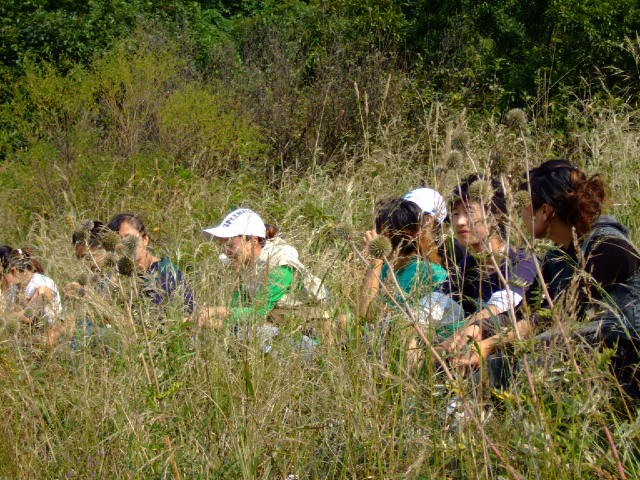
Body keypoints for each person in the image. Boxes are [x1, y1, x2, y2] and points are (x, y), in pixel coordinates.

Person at [520, 159, 640, 396]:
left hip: (625, 367)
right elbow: (526, 310)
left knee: (533, 355)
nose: (520, 216)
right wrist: (479, 328)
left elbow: (561, 312)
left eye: (523, 207)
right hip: (596, 365)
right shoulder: (556, 258)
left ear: (545, 211)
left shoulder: (610, 247)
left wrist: (491, 343)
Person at [438, 175, 537, 367]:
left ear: (496, 215)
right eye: (455, 214)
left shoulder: (522, 262)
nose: (460, 222)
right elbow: (441, 303)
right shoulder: (466, 266)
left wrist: (452, 342)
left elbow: (498, 308)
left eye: (469, 212)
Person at [198, 208, 329, 348]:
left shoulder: (280, 265)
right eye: (222, 245)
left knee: (246, 333)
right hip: (281, 327)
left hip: (310, 338)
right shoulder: (247, 264)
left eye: (230, 245)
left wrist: (216, 312)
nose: (225, 252)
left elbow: (258, 312)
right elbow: (238, 306)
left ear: (253, 240)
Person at [107, 213, 194, 316]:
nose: (124, 244)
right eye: (119, 240)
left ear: (145, 240)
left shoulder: (164, 271)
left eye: (128, 237)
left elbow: (181, 315)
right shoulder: (122, 277)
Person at [0, 245, 63, 345]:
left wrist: (5, 317)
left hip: (48, 345)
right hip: (27, 344)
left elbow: (27, 316)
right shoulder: (14, 288)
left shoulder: (42, 283)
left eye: (0, 276)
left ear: (13, 270)